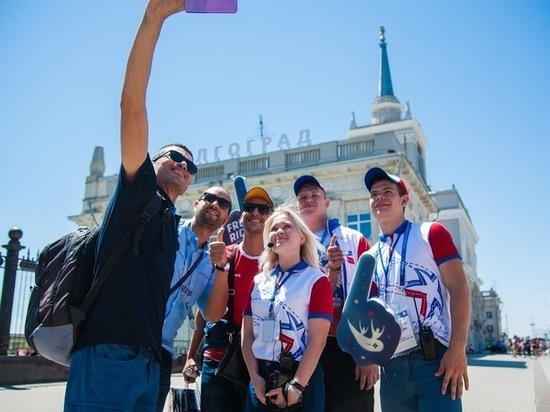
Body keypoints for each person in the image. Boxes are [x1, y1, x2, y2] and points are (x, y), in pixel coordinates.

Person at [64, 1, 193, 410]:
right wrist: (154, 17)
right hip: (107, 354)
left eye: (191, 165)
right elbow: (131, 106)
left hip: (149, 363)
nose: (182, 165)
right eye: (173, 155)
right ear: (150, 161)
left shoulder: (173, 221)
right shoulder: (138, 191)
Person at [364, 167, 470, 411]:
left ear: (404, 200)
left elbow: (459, 288)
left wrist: (457, 349)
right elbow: (369, 314)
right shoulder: (369, 257)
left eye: (387, 191)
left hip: (435, 362)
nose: (379, 197)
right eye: (373, 193)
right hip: (391, 367)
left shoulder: (430, 233)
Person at [185, 187, 274, 412]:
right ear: (241, 215)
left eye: (263, 209)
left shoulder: (278, 263)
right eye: (249, 208)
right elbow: (205, 311)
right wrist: (190, 355)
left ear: (270, 217)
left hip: (262, 358)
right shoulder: (223, 256)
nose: (256, 213)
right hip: (219, 357)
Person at [293, 175, 377, 412]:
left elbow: (372, 294)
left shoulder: (354, 238)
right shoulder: (292, 242)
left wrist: (368, 354)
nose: (309, 200)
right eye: (303, 197)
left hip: (348, 346)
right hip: (305, 347)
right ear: (297, 205)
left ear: (327, 202)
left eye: (314, 196)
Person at [241, 206, 334, 412]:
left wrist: (295, 388)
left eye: (287, 226)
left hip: (301, 378)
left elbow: (318, 340)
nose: (279, 231)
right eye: (274, 229)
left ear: (302, 237)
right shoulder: (258, 281)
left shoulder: (316, 280)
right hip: (259, 380)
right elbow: (247, 335)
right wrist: (254, 377)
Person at [157, 187, 233, 411]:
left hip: (162, 350)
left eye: (223, 203)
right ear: (196, 204)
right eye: (209, 198)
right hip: (130, 336)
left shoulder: (211, 261)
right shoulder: (167, 230)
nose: (215, 204)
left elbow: (212, 314)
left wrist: (221, 268)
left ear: (226, 219)